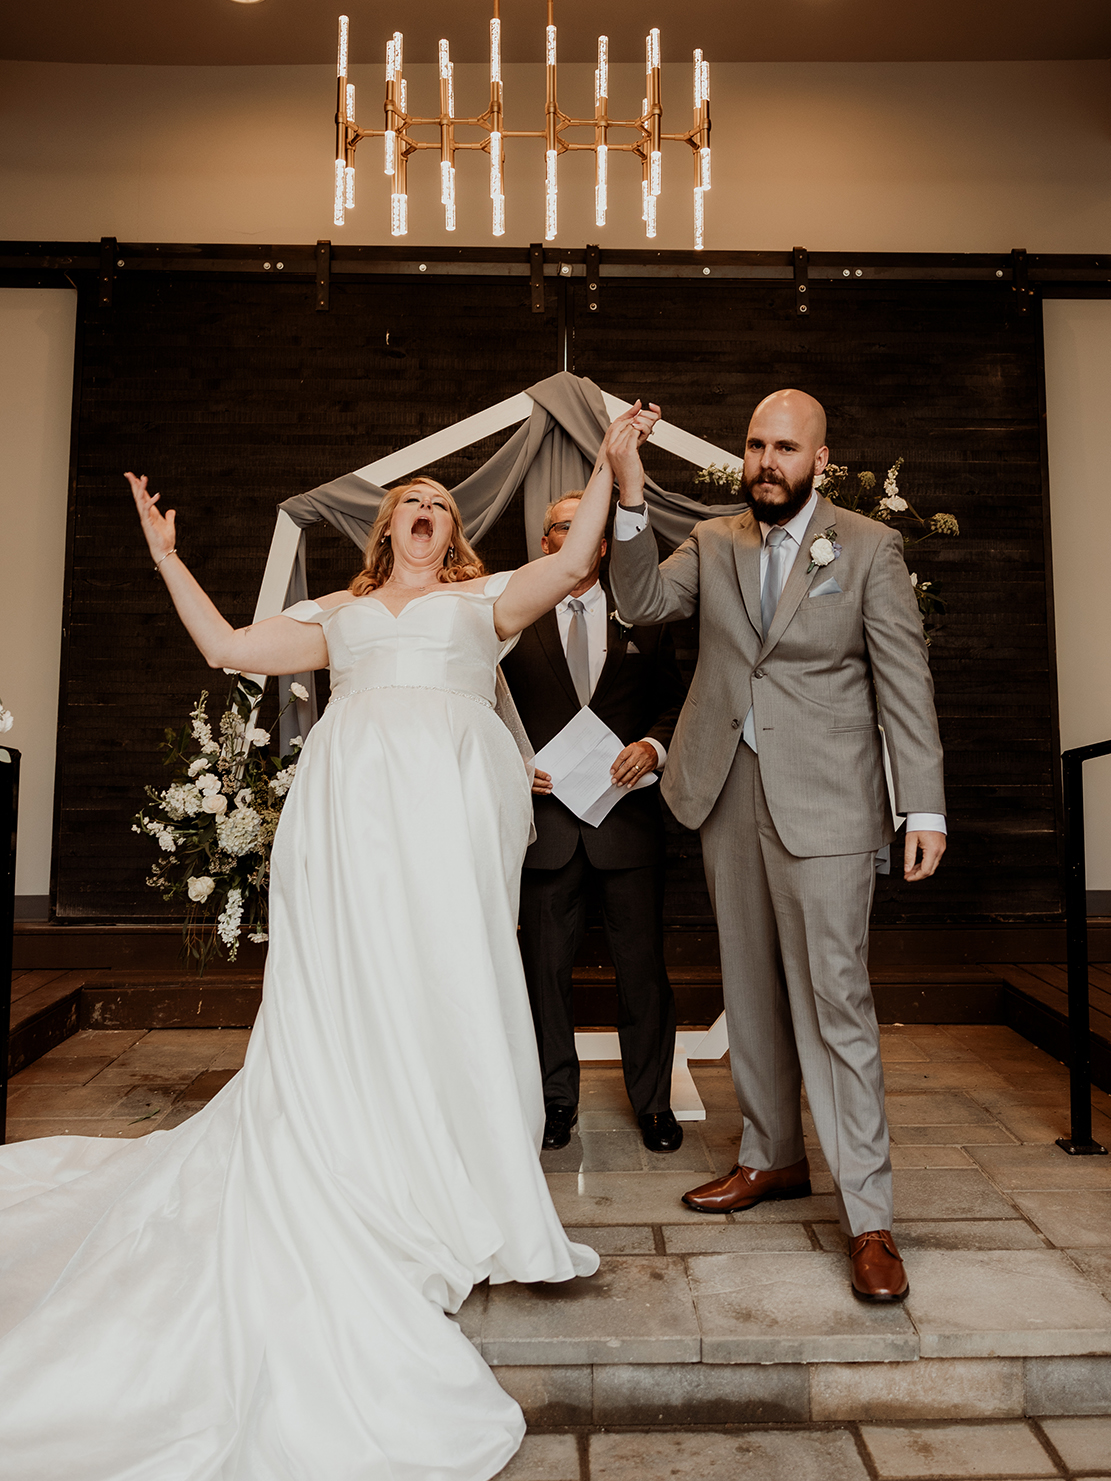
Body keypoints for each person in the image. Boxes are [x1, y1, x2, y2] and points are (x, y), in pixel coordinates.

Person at [0, 402, 659, 1480]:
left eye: (439, 504)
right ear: (386, 527)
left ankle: (449, 1171)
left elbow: (576, 556)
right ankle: (351, 1153)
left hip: (445, 826)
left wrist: (608, 458)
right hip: (348, 826)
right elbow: (225, 647)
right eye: (411, 501)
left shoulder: (485, 599)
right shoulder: (337, 613)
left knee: (446, 984)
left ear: (452, 533)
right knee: (350, 990)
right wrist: (166, 558)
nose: (426, 509)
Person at [607, 389, 946, 1303]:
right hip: (727, 790)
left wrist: (922, 806)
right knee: (749, 986)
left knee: (835, 999)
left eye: (785, 448)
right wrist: (628, 486)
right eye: (756, 445)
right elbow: (638, 600)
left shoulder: (867, 547)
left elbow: (903, 681)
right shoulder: (713, 541)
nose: (766, 461)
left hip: (827, 801)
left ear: (819, 461)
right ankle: (771, 1155)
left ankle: (868, 1216)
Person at [500, 491, 685, 1155]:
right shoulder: (512, 619)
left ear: (604, 543)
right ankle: (554, 1102)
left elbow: (678, 702)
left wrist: (654, 747)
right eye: (562, 525)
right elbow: (480, 706)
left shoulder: (645, 613)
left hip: (626, 826)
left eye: (586, 526)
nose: (574, 535)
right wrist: (512, 762)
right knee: (543, 974)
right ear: (546, 542)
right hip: (545, 831)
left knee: (643, 973)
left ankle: (654, 1104)